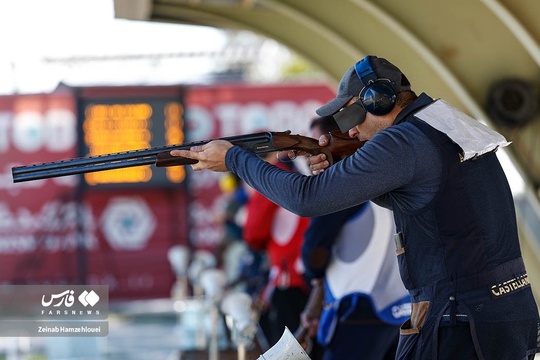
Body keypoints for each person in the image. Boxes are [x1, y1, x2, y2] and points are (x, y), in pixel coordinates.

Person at [170, 55, 540, 359]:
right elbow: (423, 196)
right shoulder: (445, 125)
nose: (349, 132)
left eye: (349, 116)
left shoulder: (402, 141)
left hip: (458, 322)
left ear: (378, 100)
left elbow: (306, 199)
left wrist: (236, 160)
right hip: (506, 313)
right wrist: (343, 170)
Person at [300, 115, 410, 360]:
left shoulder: (339, 184)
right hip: (400, 304)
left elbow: (313, 254)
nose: (310, 157)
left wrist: (314, 281)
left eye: (317, 145)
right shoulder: (392, 173)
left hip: (356, 305)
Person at [242, 152, 311, 348]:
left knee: (286, 350)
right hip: (316, 276)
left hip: (288, 278)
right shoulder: (298, 173)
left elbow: (252, 233)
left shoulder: (271, 177)